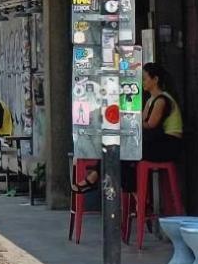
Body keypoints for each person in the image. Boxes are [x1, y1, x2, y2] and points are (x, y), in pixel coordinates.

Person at [76, 62, 184, 194]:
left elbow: (150, 125)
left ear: (155, 80)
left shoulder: (162, 100)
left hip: (168, 146)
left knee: (125, 152)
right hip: (158, 142)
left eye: (144, 78)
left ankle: (100, 180)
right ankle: (133, 195)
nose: (142, 82)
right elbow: (142, 121)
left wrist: (129, 122)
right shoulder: (151, 100)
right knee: (117, 150)